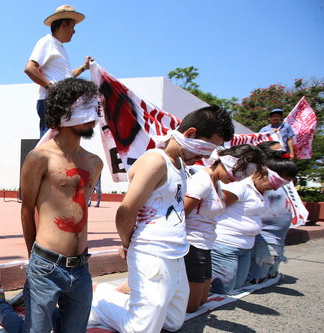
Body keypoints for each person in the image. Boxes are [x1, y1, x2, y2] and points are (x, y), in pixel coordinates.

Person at [90, 106, 235, 333]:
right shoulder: (155, 161)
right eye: (207, 148)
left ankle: (123, 302)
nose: (206, 157)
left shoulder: (179, 164)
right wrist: (128, 244)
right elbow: (126, 210)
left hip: (176, 253)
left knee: (173, 321)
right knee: (141, 330)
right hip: (151, 250)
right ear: (190, 134)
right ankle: (98, 300)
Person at [0, 78, 103, 333]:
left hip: (81, 267)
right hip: (46, 264)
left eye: (95, 108)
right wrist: (36, 260)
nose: (94, 117)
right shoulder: (40, 157)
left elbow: (79, 210)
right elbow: (27, 210)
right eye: (86, 108)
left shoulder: (94, 163)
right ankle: (1, 305)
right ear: (65, 111)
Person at [183, 144, 263, 312]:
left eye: (244, 177)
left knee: (202, 301)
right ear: (225, 163)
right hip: (192, 245)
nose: (237, 180)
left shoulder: (216, 183)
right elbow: (179, 215)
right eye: (236, 174)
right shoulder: (201, 182)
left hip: (205, 244)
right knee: (191, 307)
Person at [209, 149, 295, 295]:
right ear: (262, 171)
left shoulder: (262, 191)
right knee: (222, 290)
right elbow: (212, 211)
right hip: (225, 244)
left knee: (236, 287)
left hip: (245, 247)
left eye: (282, 185)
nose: (276, 188)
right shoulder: (239, 187)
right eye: (276, 181)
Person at [25, 5, 93, 137]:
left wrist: (84, 67)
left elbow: (66, 80)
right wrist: (52, 88)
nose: (74, 31)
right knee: (51, 143)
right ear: (63, 24)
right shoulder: (46, 42)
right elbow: (30, 68)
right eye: (72, 26)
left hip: (62, 101)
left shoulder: (60, 48)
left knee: (61, 143)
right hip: (51, 101)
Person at [247, 149, 298, 284]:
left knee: (270, 272)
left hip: (278, 239)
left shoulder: (277, 187)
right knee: (257, 276)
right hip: (264, 237)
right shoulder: (262, 186)